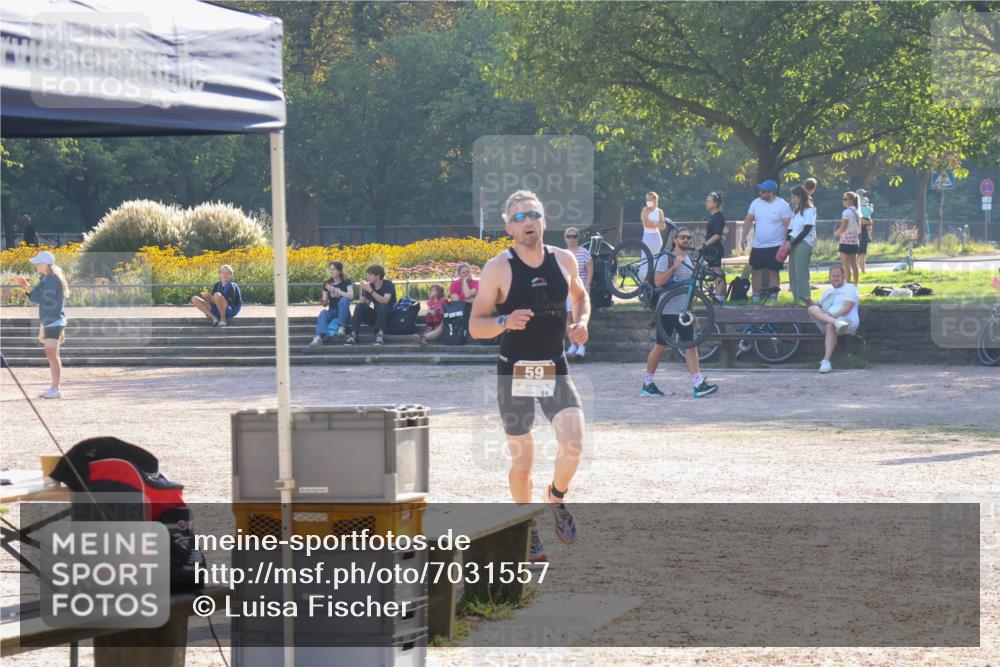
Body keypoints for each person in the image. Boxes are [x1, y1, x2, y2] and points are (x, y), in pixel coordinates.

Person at [469, 189, 589, 562]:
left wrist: (581, 322)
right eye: (519, 218)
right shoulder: (498, 268)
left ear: (544, 221)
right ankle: (527, 527)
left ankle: (556, 496)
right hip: (515, 370)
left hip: (553, 364)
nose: (527, 222)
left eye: (533, 215)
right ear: (509, 228)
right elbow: (476, 325)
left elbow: (580, 297)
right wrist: (504, 320)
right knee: (523, 462)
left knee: (574, 444)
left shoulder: (564, 260)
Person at [640, 229, 719, 399]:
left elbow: (689, 290)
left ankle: (698, 384)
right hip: (666, 310)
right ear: (675, 240)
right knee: (660, 346)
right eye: (682, 237)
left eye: (689, 238)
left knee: (691, 346)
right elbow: (658, 281)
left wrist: (692, 312)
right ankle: (647, 383)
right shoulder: (666, 257)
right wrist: (675, 266)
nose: (686, 240)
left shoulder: (689, 259)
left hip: (683, 312)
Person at [11, 251, 68, 398]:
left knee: (51, 353)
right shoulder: (48, 278)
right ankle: (55, 388)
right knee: (52, 354)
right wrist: (26, 286)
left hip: (54, 320)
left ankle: (55, 389)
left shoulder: (52, 279)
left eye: (37, 263)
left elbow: (42, 298)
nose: (36, 265)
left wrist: (25, 285)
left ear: (44, 264)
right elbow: (36, 295)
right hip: (52, 320)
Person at [741, 180, 792, 302]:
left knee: (773, 271)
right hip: (758, 245)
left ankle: (773, 297)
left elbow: (788, 225)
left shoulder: (782, 205)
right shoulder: (756, 203)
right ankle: (756, 297)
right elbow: (748, 220)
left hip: (776, 245)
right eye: (760, 190)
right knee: (756, 271)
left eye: (763, 191)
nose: (760, 193)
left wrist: (787, 242)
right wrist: (744, 236)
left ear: (771, 192)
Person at [805, 265, 860, 373]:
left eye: (838, 276)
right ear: (830, 277)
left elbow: (846, 309)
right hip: (833, 321)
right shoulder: (828, 292)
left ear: (843, 276)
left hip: (847, 322)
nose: (835, 278)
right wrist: (810, 302)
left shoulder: (850, 288)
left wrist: (832, 316)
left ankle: (826, 361)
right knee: (812, 309)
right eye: (833, 276)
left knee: (830, 326)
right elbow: (819, 306)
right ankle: (836, 323)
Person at [346, 264, 396, 346]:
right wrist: (363, 300)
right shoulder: (371, 286)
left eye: (370, 274)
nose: (368, 277)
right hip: (376, 316)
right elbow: (367, 304)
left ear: (378, 276)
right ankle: (353, 335)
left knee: (382, 306)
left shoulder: (388, 284)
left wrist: (370, 290)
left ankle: (380, 335)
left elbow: (385, 301)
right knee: (360, 306)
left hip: (388, 316)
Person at [563, 226, 593, 358]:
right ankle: (572, 345)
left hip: (579, 289)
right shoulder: (563, 254)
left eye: (574, 236)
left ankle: (581, 346)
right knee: (568, 318)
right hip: (566, 290)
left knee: (578, 318)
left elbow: (589, 270)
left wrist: (586, 286)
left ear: (578, 238)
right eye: (569, 236)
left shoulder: (584, 252)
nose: (571, 239)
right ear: (565, 238)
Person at [309, 261, 353, 347]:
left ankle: (341, 327)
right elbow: (325, 303)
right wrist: (322, 301)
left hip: (344, 314)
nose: (331, 271)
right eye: (330, 269)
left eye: (333, 269)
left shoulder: (346, 281)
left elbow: (351, 296)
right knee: (323, 312)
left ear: (339, 271)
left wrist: (337, 290)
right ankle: (319, 337)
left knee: (344, 300)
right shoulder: (327, 283)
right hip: (332, 311)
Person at [786, 185, 817, 304]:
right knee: (792, 272)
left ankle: (805, 298)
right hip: (793, 241)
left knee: (801, 272)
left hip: (803, 243)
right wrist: (787, 241)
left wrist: (793, 243)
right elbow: (790, 228)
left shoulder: (810, 210)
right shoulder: (795, 210)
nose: (792, 200)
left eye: (794, 197)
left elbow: (806, 229)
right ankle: (796, 299)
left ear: (800, 197)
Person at [703, 192, 727, 298]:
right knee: (716, 271)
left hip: (715, 249)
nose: (706, 203)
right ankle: (721, 296)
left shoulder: (718, 217)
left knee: (717, 272)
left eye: (708, 201)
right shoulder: (713, 217)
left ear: (716, 203)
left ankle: (719, 296)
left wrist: (705, 244)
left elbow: (717, 235)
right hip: (711, 249)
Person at [835, 192, 862, 285]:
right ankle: (855, 284)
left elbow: (843, 227)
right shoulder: (857, 211)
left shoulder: (846, 212)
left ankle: (847, 284)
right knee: (854, 264)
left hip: (845, 241)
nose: (843, 201)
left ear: (851, 200)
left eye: (845, 199)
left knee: (845, 265)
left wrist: (836, 233)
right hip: (854, 240)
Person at [640, 192, 668, 279]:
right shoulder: (645, 210)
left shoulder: (660, 211)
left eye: (650, 199)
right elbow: (647, 224)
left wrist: (654, 224)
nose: (648, 201)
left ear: (655, 200)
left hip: (657, 237)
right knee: (646, 258)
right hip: (647, 237)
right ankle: (644, 279)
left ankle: (655, 278)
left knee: (658, 258)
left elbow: (663, 226)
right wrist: (657, 224)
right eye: (647, 199)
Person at [857, 189, 874, 273]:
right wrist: (869, 222)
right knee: (858, 252)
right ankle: (856, 269)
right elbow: (860, 220)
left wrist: (869, 223)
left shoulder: (865, 204)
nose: (863, 196)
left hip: (864, 232)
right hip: (858, 232)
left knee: (863, 252)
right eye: (862, 194)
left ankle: (863, 270)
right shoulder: (856, 208)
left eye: (863, 194)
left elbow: (868, 217)